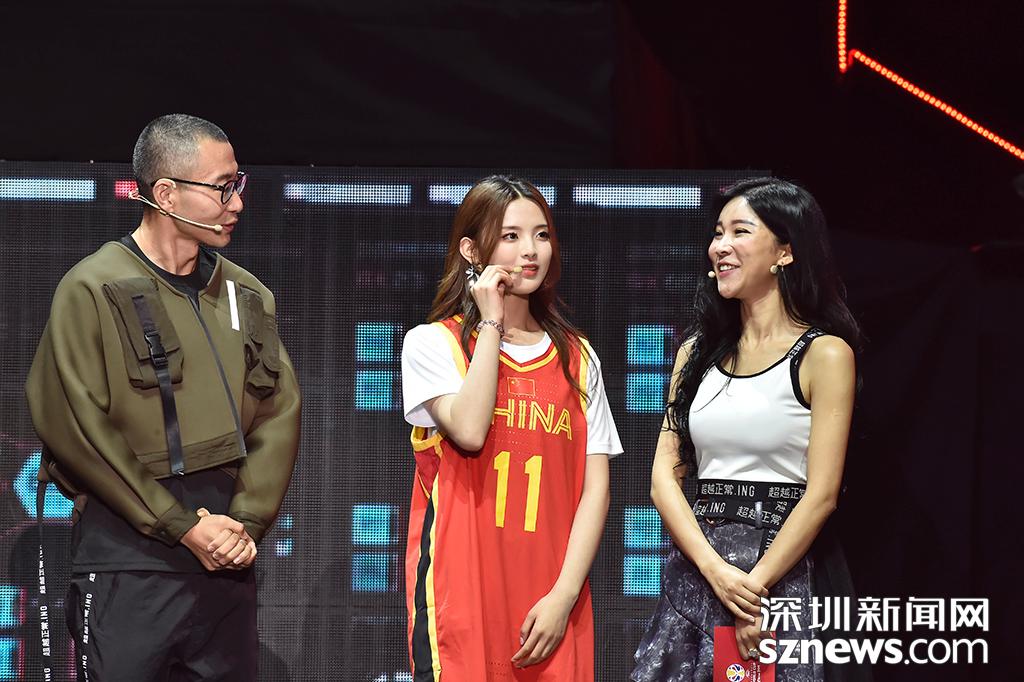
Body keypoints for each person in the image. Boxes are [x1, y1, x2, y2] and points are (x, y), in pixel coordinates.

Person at [26, 114, 301, 680]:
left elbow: (277, 411)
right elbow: (77, 427)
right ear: (167, 193)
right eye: (221, 187)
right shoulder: (93, 287)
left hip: (225, 557)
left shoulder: (246, 294)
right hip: (129, 560)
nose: (237, 203)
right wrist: (179, 524)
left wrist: (244, 524)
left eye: (238, 184)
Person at [632, 178, 870, 681]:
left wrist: (751, 591)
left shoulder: (825, 354)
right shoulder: (695, 352)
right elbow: (662, 478)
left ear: (785, 251)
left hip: (782, 578)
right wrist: (715, 571)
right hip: (700, 574)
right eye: (717, 233)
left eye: (740, 231)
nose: (720, 246)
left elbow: (822, 494)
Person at [401, 175, 622, 681]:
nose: (531, 251)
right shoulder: (433, 344)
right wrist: (491, 323)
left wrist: (564, 596)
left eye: (541, 235)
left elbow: (595, 490)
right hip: (462, 592)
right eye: (511, 236)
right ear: (471, 250)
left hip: (553, 601)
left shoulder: (578, 357)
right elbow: (470, 431)